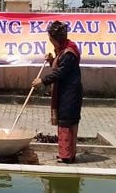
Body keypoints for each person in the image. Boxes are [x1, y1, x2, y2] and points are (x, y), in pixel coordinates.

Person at [33, 21, 83, 164]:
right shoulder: (64, 50)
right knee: (65, 121)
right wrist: (51, 60)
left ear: (54, 39)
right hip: (64, 90)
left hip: (70, 92)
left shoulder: (69, 53)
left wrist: (42, 81)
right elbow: (59, 66)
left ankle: (67, 155)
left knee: (66, 122)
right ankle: (66, 153)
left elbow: (61, 72)